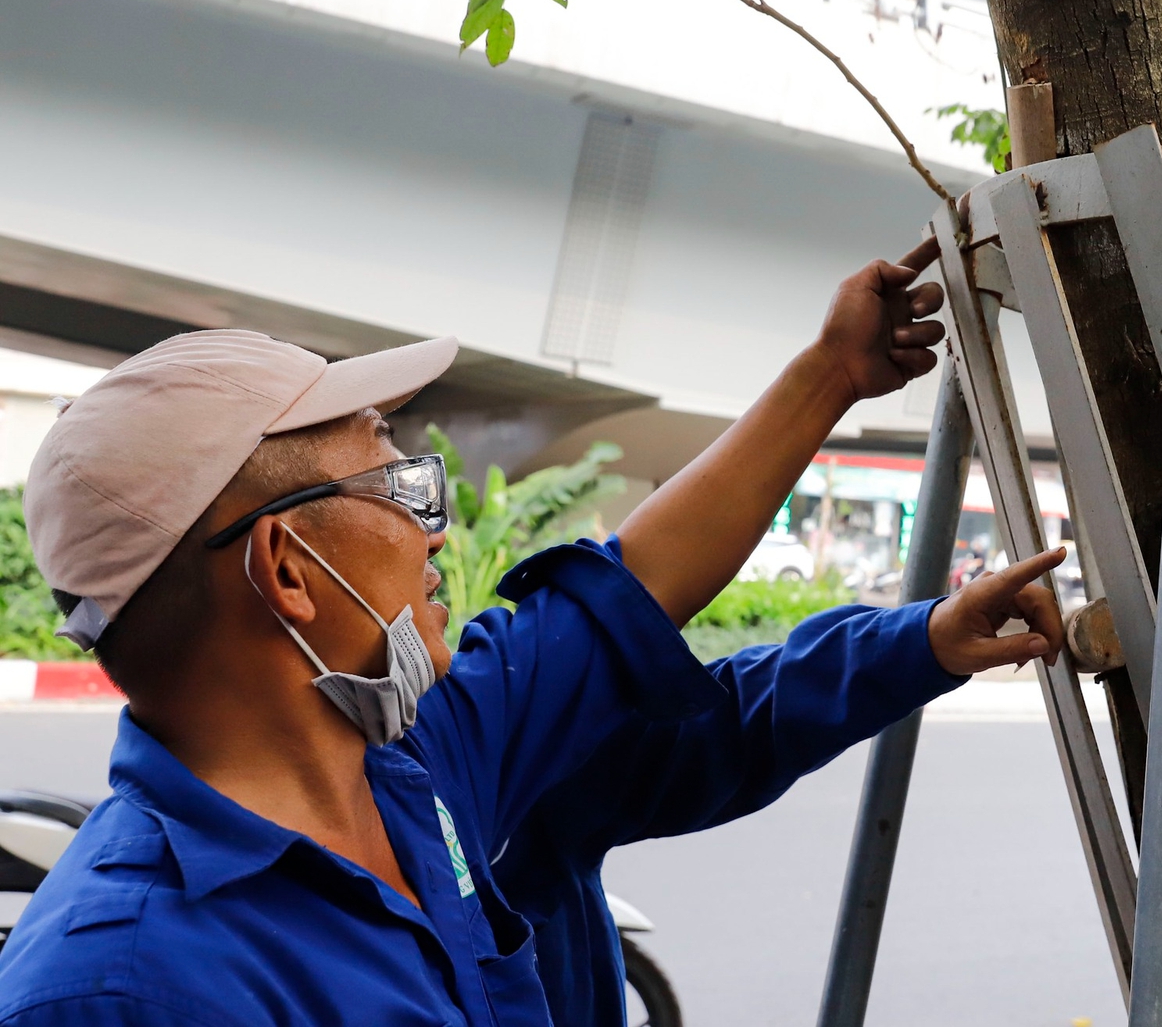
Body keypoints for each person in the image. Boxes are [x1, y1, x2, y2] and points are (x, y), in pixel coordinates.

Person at [0, 241, 1066, 1026]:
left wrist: (832, 374)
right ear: (287, 568)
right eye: (396, 482)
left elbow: (633, 584)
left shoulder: (424, 763)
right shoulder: (117, 988)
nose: (435, 526)